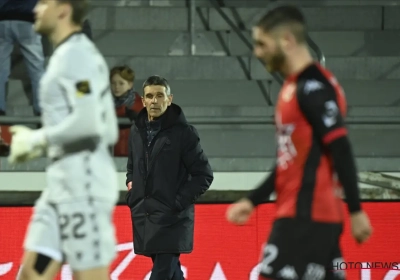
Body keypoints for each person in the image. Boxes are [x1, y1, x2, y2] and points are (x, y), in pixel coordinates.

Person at [226, 5, 372, 280]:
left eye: (261, 44)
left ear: (287, 41)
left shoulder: (314, 87)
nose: (257, 52)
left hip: (306, 217)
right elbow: (289, 160)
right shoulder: (292, 88)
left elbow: (340, 146)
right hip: (306, 214)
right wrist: (253, 199)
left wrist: (355, 209)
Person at [8, 0, 119, 280]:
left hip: (84, 189)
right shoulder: (66, 55)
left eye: (44, 2)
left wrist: (37, 140)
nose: (35, 8)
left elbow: (91, 122)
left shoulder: (77, 56)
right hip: (62, 189)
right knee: (32, 274)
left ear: (63, 10)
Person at [125, 75, 213, 280]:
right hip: (147, 216)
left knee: (161, 274)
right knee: (172, 275)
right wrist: (132, 189)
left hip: (172, 219)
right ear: (143, 101)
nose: (154, 101)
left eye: (159, 95)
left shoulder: (184, 133)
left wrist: (176, 203)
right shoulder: (136, 131)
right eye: (149, 96)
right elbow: (131, 167)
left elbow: (204, 174)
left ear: (169, 98)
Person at [0, 0, 45, 115]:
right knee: (37, 70)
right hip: (27, 18)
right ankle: (40, 110)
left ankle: (0, 109)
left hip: (2, 19)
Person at [110, 65, 143, 156]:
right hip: (112, 157)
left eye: (121, 83)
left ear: (130, 84)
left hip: (134, 158)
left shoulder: (141, 105)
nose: (116, 87)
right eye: (113, 83)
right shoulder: (105, 105)